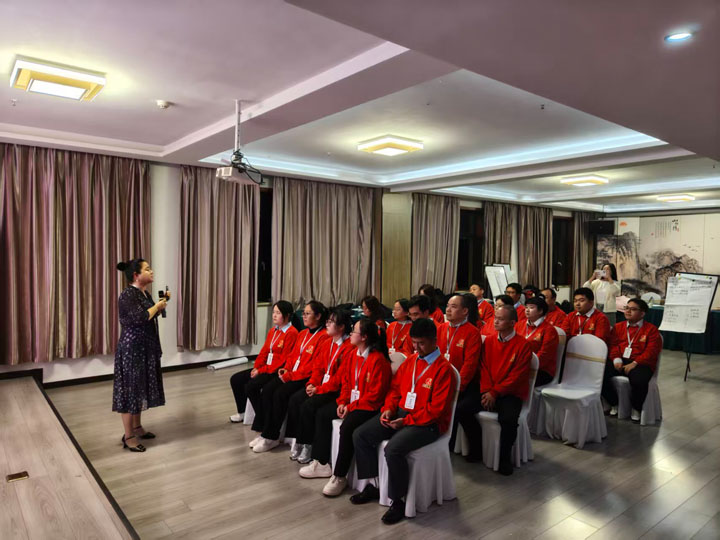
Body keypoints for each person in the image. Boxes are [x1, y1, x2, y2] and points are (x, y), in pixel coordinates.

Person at [350, 318, 455, 524]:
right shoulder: (411, 361)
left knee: (393, 449)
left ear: (434, 341)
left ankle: (397, 501)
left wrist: (405, 421)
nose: (416, 347)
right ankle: (374, 485)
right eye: (413, 342)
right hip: (402, 413)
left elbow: (435, 411)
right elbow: (395, 389)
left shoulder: (444, 370)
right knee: (361, 435)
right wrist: (389, 409)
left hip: (427, 423)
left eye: (421, 343)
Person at [299, 320, 392, 498]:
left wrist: (350, 406)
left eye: (354, 331)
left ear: (364, 337)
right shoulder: (352, 355)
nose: (350, 334)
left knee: (348, 426)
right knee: (323, 413)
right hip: (353, 403)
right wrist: (342, 402)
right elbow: (346, 383)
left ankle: (339, 476)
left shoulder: (378, 360)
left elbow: (375, 396)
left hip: (370, 407)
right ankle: (321, 461)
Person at [456, 305, 532, 475]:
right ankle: (476, 448)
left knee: (508, 419)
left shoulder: (523, 345)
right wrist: (486, 391)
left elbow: (517, 376)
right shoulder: (489, 341)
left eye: (501, 319)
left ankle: (504, 458)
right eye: (495, 318)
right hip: (488, 390)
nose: (496, 321)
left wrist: (495, 392)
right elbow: (483, 368)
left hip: (509, 393)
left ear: (512, 323)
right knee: (461, 409)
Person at [250, 301, 329, 453]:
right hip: (292, 373)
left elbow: (313, 366)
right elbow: (293, 356)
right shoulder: (303, 333)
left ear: (318, 316)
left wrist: (290, 375)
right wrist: (286, 368)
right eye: (303, 313)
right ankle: (265, 432)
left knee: (280, 393)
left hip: (305, 377)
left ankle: (271, 436)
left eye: (308, 313)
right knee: (268, 389)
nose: (304, 316)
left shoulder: (323, 336)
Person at [113, 259, 168, 453]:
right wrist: (157, 307)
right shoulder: (128, 294)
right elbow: (140, 317)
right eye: (147, 269)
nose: (151, 271)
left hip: (144, 347)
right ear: (136, 275)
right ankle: (129, 436)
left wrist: (159, 307)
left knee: (139, 388)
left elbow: (149, 316)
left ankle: (137, 428)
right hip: (132, 349)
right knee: (131, 391)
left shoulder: (144, 293)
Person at [288, 308, 355, 463]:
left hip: (335, 390)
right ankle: (299, 439)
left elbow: (339, 378)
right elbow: (318, 368)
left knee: (309, 406)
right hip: (321, 386)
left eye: (331, 322)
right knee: (296, 399)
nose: (327, 324)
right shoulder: (327, 343)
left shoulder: (348, 347)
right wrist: (312, 383)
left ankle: (308, 445)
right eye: (327, 321)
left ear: (341, 327)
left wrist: (318, 389)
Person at [229, 300, 298, 423]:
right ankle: (242, 412)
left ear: (287, 315)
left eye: (278, 313)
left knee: (251, 386)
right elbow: (264, 352)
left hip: (275, 371)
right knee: (236, 379)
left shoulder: (291, 333)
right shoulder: (273, 331)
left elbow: (282, 360)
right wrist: (256, 367)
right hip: (265, 368)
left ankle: (262, 417)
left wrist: (260, 371)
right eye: (273, 312)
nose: (274, 315)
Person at [601, 298, 662, 421]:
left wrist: (635, 363)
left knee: (639, 380)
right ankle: (614, 403)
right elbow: (613, 345)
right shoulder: (618, 327)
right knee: (599, 373)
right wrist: (616, 359)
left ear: (642, 313)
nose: (628, 311)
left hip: (641, 363)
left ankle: (636, 408)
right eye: (626, 308)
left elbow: (651, 351)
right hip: (621, 360)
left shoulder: (651, 330)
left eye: (633, 309)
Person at [438, 293, 481, 449]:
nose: (448, 310)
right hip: (443, 381)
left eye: (454, 307)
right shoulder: (441, 328)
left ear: (465, 311)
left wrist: (457, 387)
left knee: (459, 409)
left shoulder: (472, 332)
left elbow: (470, 365)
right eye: (448, 306)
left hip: (465, 385)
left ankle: (473, 448)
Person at [523, 297, 559, 387]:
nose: (527, 310)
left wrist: (524, 365)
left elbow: (544, 355)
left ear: (540, 311)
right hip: (521, 366)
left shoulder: (549, 330)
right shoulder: (519, 325)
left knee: (513, 379)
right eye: (526, 307)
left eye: (531, 307)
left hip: (542, 370)